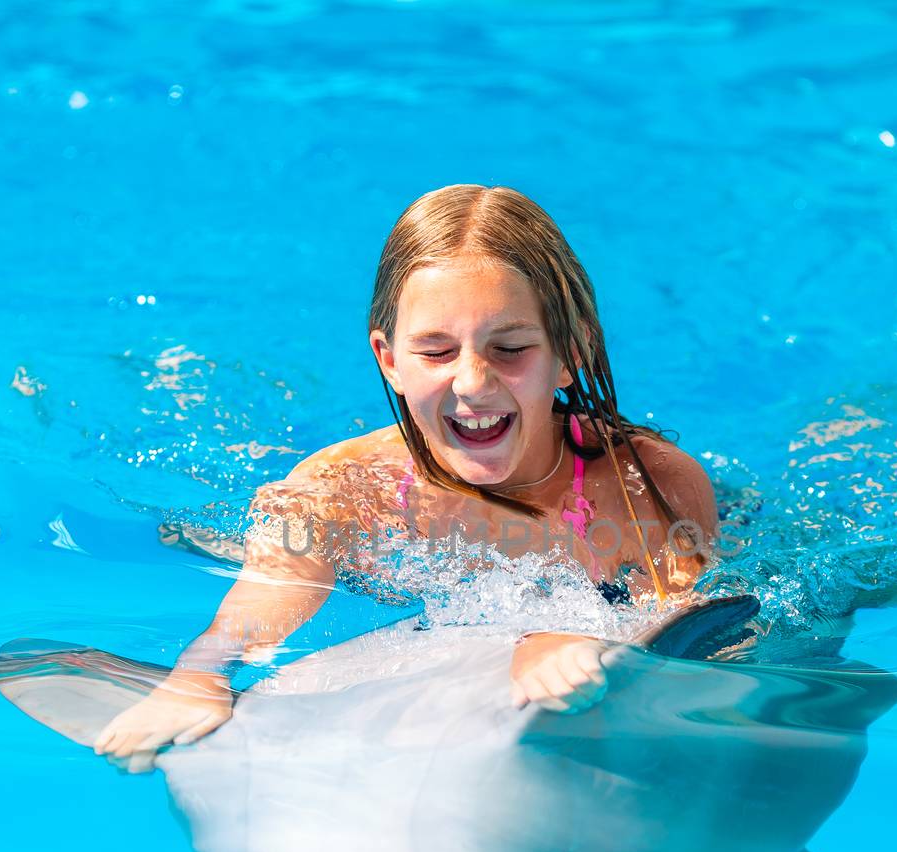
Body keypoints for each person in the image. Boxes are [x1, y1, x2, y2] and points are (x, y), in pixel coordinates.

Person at [95, 184, 722, 772]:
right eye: (436, 351)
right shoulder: (342, 491)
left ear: (569, 353)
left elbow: (689, 629)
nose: (474, 382)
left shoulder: (648, 485)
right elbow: (271, 594)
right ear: (389, 360)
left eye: (511, 348)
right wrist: (198, 678)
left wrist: (571, 637)